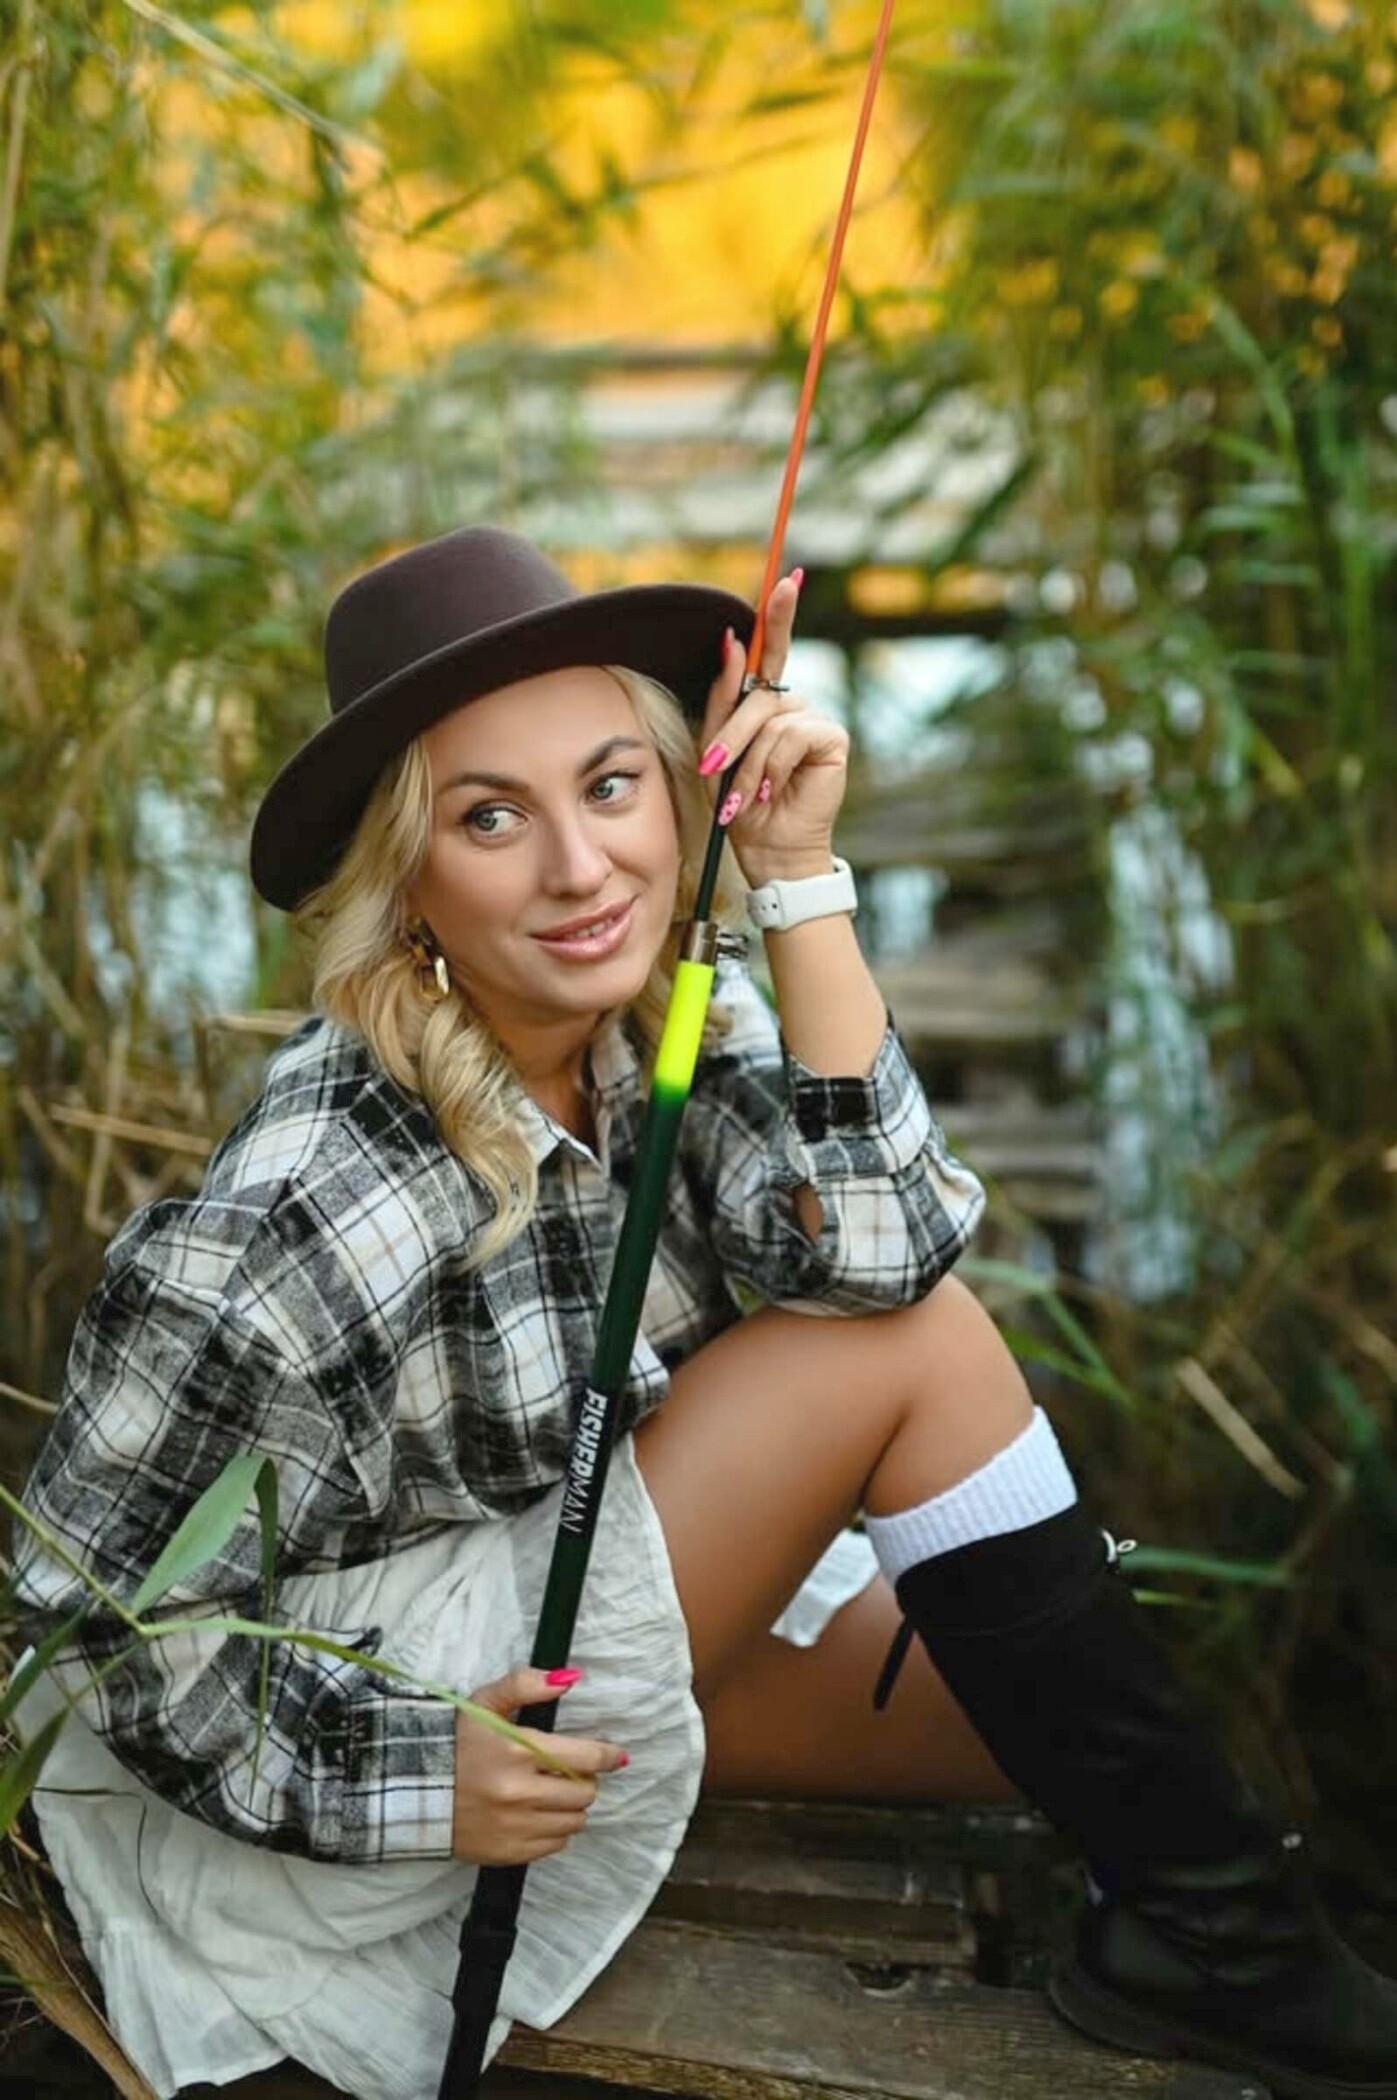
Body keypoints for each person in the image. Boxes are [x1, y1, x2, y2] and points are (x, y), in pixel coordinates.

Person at [9, 526, 1395, 2100]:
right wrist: (410, 1774)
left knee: (1038, 1710)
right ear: (406, 881)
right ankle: (1235, 1958)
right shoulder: (311, 1200)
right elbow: (85, 1619)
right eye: (489, 817)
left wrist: (795, 879)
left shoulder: (658, 1026)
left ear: (680, 795)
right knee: (911, 1363)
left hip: (552, 1603)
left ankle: (1204, 1934)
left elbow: (883, 1246)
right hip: (358, 1730)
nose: (580, 868)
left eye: (611, 787)